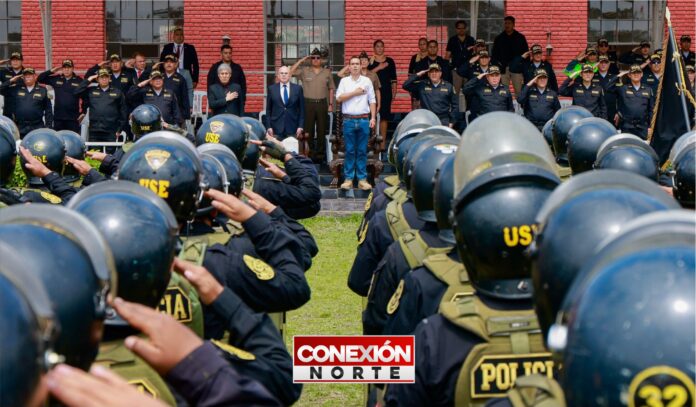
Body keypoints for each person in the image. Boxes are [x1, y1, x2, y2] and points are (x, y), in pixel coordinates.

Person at [252, 134, 323, 220]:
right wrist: (285, 155)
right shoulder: (266, 183)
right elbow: (312, 199)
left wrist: (284, 177)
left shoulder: (255, 177)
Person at [336, 56, 377, 191]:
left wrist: (373, 118)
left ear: (361, 66)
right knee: (350, 150)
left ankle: (362, 180)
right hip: (348, 120)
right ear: (349, 66)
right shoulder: (344, 81)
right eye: (352, 64)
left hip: (364, 120)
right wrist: (355, 92)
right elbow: (339, 98)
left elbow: (372, 100)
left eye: (357, 64)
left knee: (362, 151)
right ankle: (348, 179)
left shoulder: (367, 81)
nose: (355, 66)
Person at [290, 48, 335, 162]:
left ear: (321, 59)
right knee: (307, 130)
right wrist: (301, 61)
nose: (315, 59)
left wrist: (330, 104)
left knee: (321, 130)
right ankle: (308, 154)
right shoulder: (305, 71)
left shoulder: (327, 72)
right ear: (310, 59)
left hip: (322, 103)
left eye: (318, 58)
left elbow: (331, 88)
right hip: (307, 103)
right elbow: (290, 72)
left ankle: (320, 155)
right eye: (313, 57)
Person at [74, 68, 128, 143]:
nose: (104, 79)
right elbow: (76, 92)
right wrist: (89, 79)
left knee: (110, 151)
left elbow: (123, 111)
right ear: (97, 79)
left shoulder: (117, 92)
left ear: (109, 78)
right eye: (101, 77)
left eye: (106, 77)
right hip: (94, 130)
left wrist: (120, 129)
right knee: (94, 150)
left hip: (111, 130)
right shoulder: (91, 91)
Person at [606, 65, 655, 140]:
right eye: (633, 73)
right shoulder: (623, 88)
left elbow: (651, 110)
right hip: (627, 126)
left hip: (643, 127)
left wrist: (651, 126)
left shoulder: (648, 89)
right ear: (629, 75)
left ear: (642, 74)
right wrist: (619, 75)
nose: (636, 74)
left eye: (638, 72)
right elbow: (608, 87)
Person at [0, 68, 53, 137]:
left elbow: (48, 110)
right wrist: (11, 81)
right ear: (23, 78)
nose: (27, 77)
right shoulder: (16, 89)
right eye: (25, 75)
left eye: (30, 75)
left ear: (35, 76)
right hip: (20, 127)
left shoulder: (43, 90)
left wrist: (48, 127)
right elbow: (1, 90)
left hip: (37, 126)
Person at [37, 59, 84, 133]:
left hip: (73, 119)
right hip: (58, 118)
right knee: (58, 138)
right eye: (64, 67)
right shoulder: (57, 79)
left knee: (72, 139)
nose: (66, 69)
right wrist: (51, 71)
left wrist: (83, 112)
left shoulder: (79, 81)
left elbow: (86, 97)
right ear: (62, 69)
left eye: (69, 67)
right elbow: (40, 79)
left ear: (72, 68)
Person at [368, 40, 397, 150]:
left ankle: (382, 143)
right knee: (373, 116)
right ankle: (373, 141)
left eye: (381, 46)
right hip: (372, 92)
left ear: (384, 48)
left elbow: (394, 78)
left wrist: (394, 91)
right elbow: (366, 75)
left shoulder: (390, 61)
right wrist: (379, 67)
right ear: (374, 48)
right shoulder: (370, 61)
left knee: (384, 117)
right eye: (377, 46)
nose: (380, 48)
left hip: (386, 91)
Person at [264, 66, 305, 141]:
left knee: (292, 148)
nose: (283, 75)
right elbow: (268, 110)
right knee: (277, 149)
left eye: (286, 73)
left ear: (289, 75)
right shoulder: (271, 89)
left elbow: (302, 110)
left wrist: (300, 126)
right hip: (276, 128)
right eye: (281, 73)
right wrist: (268, 126)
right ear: (278, 75)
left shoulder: (298, 89)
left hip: (293, 128)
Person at [492, 15, 528, 95]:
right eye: (505, 23)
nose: (507, 25)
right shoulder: (499, 38)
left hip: (517, 69)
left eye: (509, 23)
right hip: (503, 69)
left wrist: (524, 68)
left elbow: (526, 54)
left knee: (519, 92)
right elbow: (494, 55)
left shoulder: (520, 38)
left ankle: (520, 104)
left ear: (513, 24)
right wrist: (498, 66)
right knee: (503, 92)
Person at [160, 27, 200, 95]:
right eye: (177, 35)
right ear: (173, 37)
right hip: (170, 75)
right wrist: (161, 76)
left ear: (184, 36)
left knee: (187, 94)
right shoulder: (167, 47)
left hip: (186, 75)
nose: (179, 37)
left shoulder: (190, 48)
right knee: (170, 94)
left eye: (181, 34)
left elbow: (196, 65)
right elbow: (162, 63)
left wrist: (195, 80)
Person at [207, 44, 246, 113]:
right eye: (225, 53)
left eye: (230, 53)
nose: (228, 55)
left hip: (234, 103)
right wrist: (211, 100)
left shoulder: (237, 68)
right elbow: (210, 84)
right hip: (219, 104)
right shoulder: (215, 67)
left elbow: (243, 86)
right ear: (221, 54)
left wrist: (242, 101)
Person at [446, 20, 476, 95]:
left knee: (469, 93)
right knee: (455, 93)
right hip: (456, 70)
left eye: (463, 28)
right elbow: (447, 55)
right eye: (459, 28)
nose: (461, 30)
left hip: (468, 70)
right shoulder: (452, 40)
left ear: (466, 29)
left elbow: (475, 54)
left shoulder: (471, 39)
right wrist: (446, 69)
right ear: (456, 29)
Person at [160, 54, 190, 123]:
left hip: (176, 113)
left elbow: (185, 97)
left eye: (171, 62)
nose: (169, 64)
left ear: (175, 64)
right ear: (163, 64)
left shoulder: (180, 79)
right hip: (162, 111)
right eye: (166, 62)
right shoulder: (159, 77)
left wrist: (185, 115)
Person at [594, 55, 619, 124]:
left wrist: (618, 112)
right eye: (601, 62)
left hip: (611, 111)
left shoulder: (615, 77)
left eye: (605, 62)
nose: (603, 64)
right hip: (596, 110)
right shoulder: (592, 76)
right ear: (597, 64)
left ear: (609, 64)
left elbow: (620, 96)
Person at [0, 52, 25, 119]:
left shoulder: (27, 73)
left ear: (22, 61)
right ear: (10, 61)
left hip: (23, 110)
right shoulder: (4, 72)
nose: (15, 62)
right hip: (8, 109)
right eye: (13, 60)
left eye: (17, 60)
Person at [408, 37, 429, 109]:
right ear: (418, 46)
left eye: (424, 44)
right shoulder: (414, 58)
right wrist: (410, 87)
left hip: (427, 85)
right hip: (416, 85)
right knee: (415, 107)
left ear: (427, 45)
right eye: (420, 44)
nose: (422, 46)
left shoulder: (430, 57)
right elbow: (410, 73)